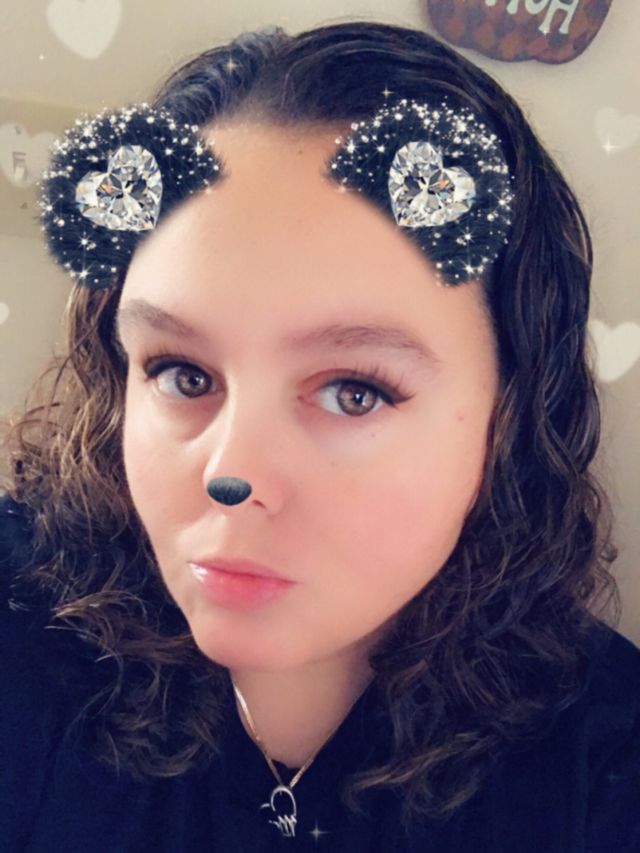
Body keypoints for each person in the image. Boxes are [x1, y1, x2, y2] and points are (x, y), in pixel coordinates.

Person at [1, 19, 639, 853]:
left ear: (510, 416)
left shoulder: (603, 765)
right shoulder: (23, 629)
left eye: (353, 391)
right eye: (182, 373)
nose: (230, 474)